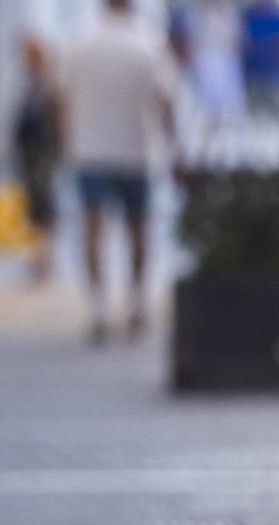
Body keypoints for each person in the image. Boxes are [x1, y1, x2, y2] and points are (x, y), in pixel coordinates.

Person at [59, 0, 177, 343]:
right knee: (137, 229)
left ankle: (97, 306)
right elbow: (165, 100)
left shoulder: (81, 43)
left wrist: (69, 141)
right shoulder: (148, 43)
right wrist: (171, 146)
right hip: (135, 150)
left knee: (93, 227)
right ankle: (137, 303)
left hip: (90, 150)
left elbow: (64, 97)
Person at [13, 35, 62, 283]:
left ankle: (44, 259)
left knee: (43, 207)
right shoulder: (33, 85)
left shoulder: (46, 87)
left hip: (41, 155)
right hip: (32, 156)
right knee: (36, 208)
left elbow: (53, 123)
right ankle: (40, 258)